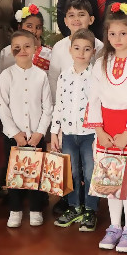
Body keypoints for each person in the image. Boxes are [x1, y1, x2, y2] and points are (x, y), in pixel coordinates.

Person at [83, 2, 127, 253]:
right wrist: (99, 131)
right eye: (112, 33)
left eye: (123, 33)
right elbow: (93, 98)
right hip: (106, 128)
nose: (117, 38)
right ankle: (114, 226)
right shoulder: (102, 62)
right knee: (110, 179)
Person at [0, 29, 52, 228]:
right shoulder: (6, 75)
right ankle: (15, 210)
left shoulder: (41, 76)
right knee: (14, 174)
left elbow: (48, 107)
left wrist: (39, 133)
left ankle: (36, 210)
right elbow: (2, 106)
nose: (22, 51)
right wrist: (15, 133)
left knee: (36, 174)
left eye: (27, 46)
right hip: (14, 137)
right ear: (11, 50)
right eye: (17, 48)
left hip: (35, 136)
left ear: (35, 49)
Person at [51, 29, 99, 232]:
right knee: (71, 171)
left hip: (89, 134)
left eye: (87, 49)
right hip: (69, 133)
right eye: (77, 48)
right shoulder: (64, 76)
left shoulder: (96, 76)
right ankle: (74, 206)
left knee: (89, 172)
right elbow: (59, 104)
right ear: (70, 50)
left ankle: (90, 209)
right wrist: (54, 131)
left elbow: (99, 105)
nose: (81, 53)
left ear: (93, 52)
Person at [49, 0, 104, 99]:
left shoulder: (99, 46)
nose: (76, 19)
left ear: (91, 19)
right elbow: (53, 79)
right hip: (65, 102)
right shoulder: (59, 47)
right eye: (71, 15)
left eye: (81, 15)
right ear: (65, 21)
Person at [0, 4, 50, 81]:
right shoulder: (7, 52)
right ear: (20, 27)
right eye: (29, 26)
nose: (34, 31)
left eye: (38, 27)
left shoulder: (47, 54)